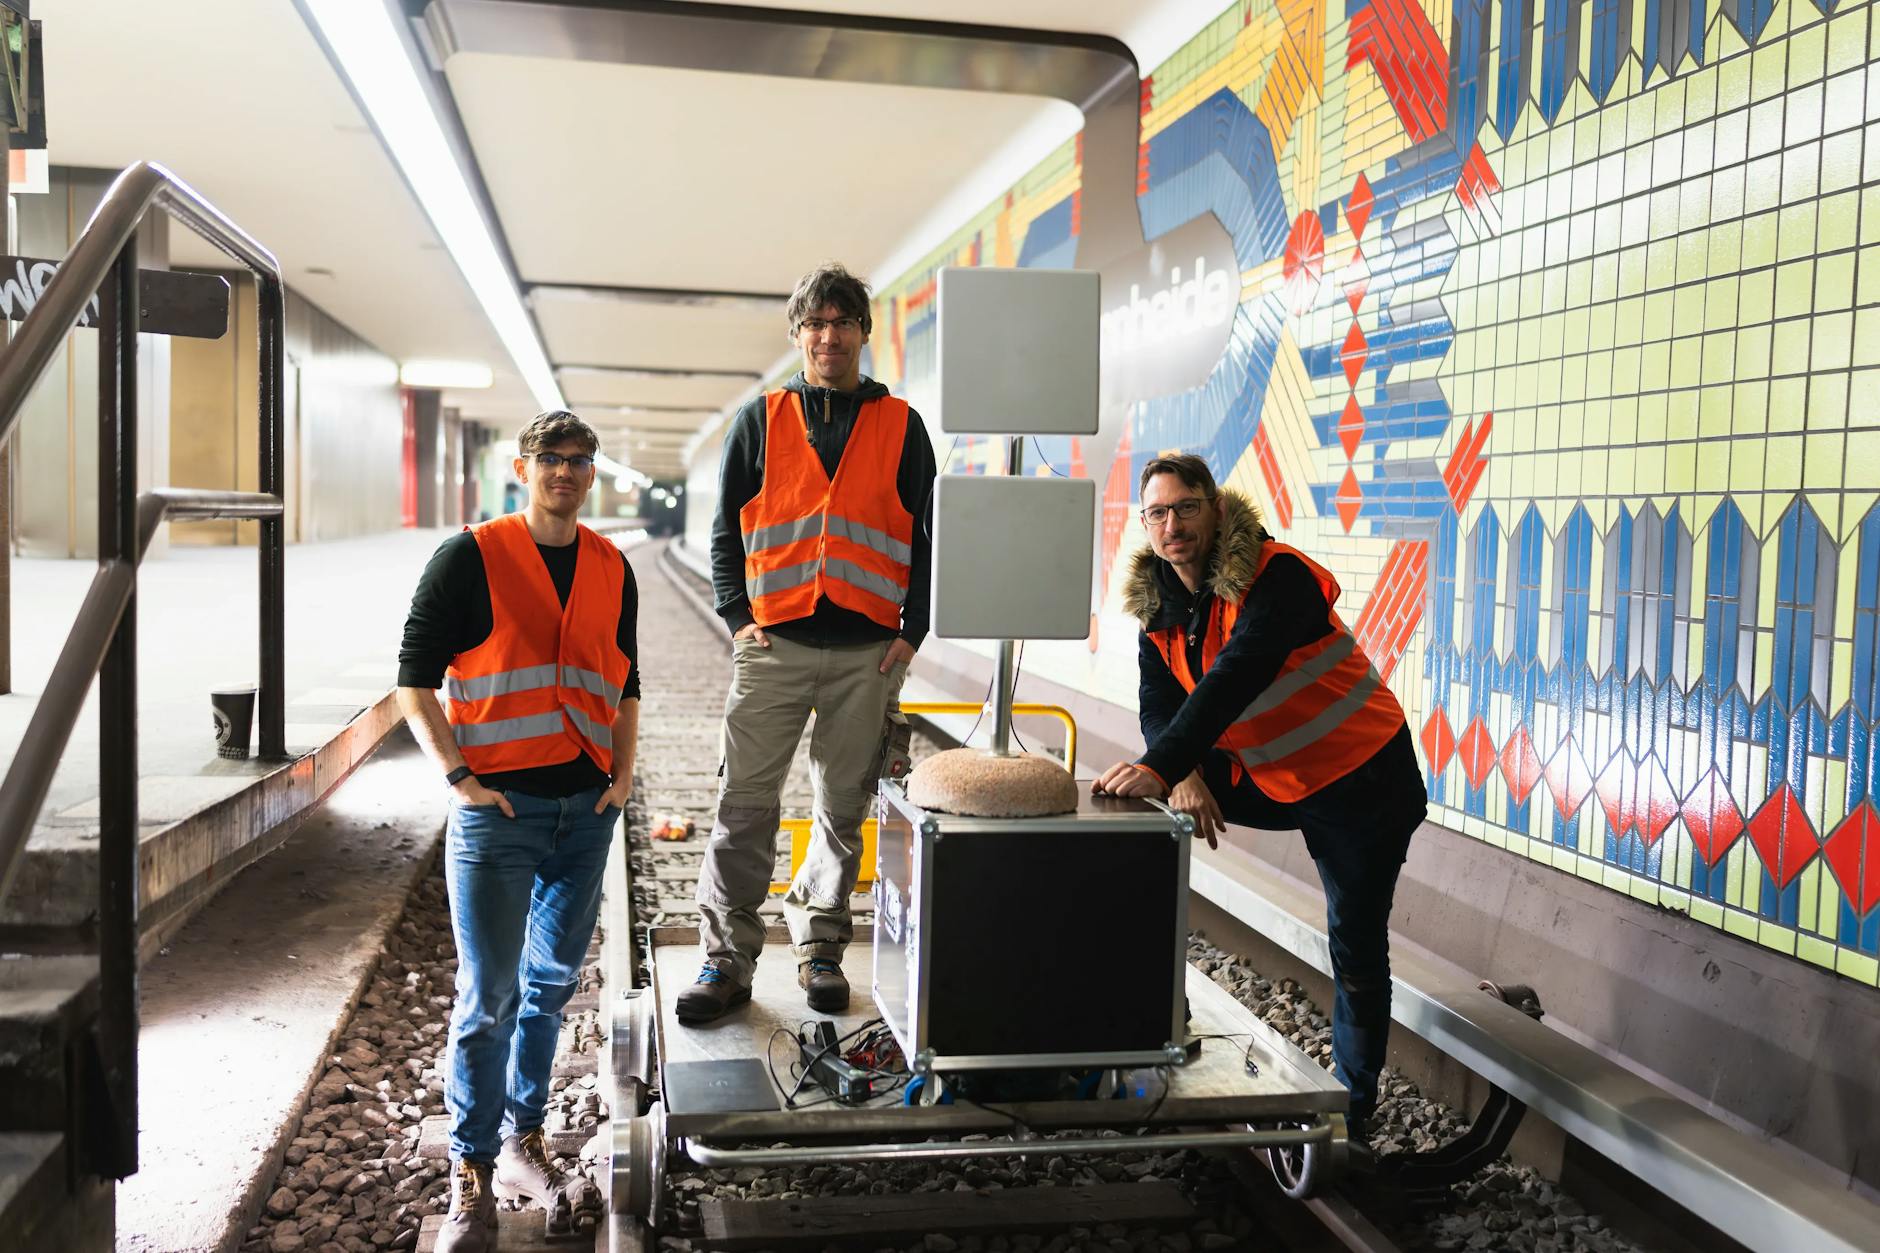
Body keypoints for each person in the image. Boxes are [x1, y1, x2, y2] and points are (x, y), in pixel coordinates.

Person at [1093, 453, 1426, 1136]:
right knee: (1139, 808)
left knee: (1355, 946)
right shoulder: (1159, 606)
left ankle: (1351, 1107)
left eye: (1185, 506)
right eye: (1157, 512)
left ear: (1215, 509)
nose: (1172, 524)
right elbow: (1158, 704)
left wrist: (1165, 763)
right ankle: (1156, 1017)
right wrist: (1178, 774)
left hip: (1361, 782)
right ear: (1146, 526)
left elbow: (1235, 677)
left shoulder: (1278, 577)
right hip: (1272, 775)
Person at [396, 410, 640, 1252]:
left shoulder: (611, 564)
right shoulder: (471, 556)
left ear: (591, 472)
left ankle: (521, 1135)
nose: (565, 472)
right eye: (551, 458)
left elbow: (628, 678)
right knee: (487, 998)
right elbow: (414, 679)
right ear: (522, 465)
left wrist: (624, 772)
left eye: (579, 460)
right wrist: (459, 779)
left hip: (584, 815)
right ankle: (469, 1168)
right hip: (498, 812)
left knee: (547, 989)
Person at [678, 262, 937, 1024]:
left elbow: (929, 537)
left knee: (841, 807)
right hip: (775, 646)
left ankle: (821, 945)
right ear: (799, 334)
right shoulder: (759, 419)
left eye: (842, 321)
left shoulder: (902, 425)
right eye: (814, 323)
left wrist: (911, 631)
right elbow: (726, 530)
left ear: (863, 331)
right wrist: (737, 618)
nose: (829, 335)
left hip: (866, 652)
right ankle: (727, 956)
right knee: (745, 806)